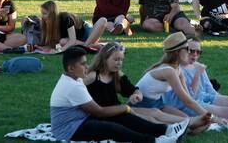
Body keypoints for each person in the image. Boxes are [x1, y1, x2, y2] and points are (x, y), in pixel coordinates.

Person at [49, 46, 185, 143]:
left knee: (121, 118)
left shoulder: (75, 79)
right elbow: (100, 112)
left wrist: (126, 106)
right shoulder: (73, 86)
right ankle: (154, 141)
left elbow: (129, 88)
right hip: (69, 129)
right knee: (113, 128)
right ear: (71, 68)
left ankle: (165, 130)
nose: (86, 66)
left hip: (82, 120)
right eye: (83, 64)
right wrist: (125, 108)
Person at [131, 32, 213, 132]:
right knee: (179, 123)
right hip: (140, 105)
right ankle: (188, 124)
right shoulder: (168, 71)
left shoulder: (177, 69)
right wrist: (211, 117)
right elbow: (186, 101)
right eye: (187, 49)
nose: (190, 52)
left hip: (157, 104)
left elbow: (189, 98)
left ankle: (187, 125)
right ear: (177, 52)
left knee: (187, 122)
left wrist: (204, 116)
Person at [39, 0, 107, 51]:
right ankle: (92, 46)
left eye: (44, 13)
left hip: (88, 34)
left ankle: (86, 47)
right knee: (63, 42)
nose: (42, 16)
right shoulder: (47, 23)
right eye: (42, 13)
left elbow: (72, 40)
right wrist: (40, 47)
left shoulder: (65, 18)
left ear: (52, 14)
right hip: (78, 41)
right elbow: (53, 44)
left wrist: (60, 50)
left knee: (103, 20)